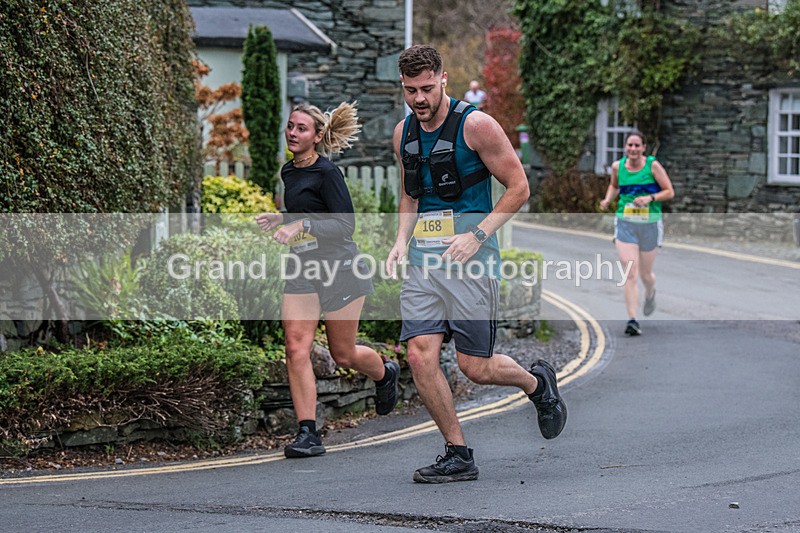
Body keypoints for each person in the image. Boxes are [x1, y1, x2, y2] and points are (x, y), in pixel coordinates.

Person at [385, 45, 567, 483]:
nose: (419, 99)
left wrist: (477, 235)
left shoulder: (477, 126)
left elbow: (519, 188)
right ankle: (458, 452)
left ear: (444, 79)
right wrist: (399, 242)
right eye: (411, 91)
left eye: (427, 88)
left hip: (472, 261)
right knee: (419, 354)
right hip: (424, 265)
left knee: (475, 366)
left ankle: (537, 385)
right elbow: (411, 193)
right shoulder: (402, 134)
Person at [256, 102, 400, 458]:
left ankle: (385, 374)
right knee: (295, 347)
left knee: (343, 353)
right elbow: (307, 209)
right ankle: (308, 432)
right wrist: (282, 218)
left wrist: (302, 224)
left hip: (340, 269)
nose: (292, 133)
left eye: (301, 128)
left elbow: (345, 225)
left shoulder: (328, 172)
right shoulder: (289, 171)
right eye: (290, 126)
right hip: (303, 268)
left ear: (317, 136)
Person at [599, 130, 675, 336]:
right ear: (626, 148)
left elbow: (669, 191)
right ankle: (632, 319)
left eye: (636, 146)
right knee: (630, 273)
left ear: (643, 148)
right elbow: (614, 186)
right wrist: (607, 199)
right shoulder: (618, 167)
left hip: (650, 224)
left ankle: (650, 293)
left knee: (645, 274)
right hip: (625, 223)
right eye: (629, 145)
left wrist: (650, 198)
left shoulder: (653, 166)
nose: (633, 149)